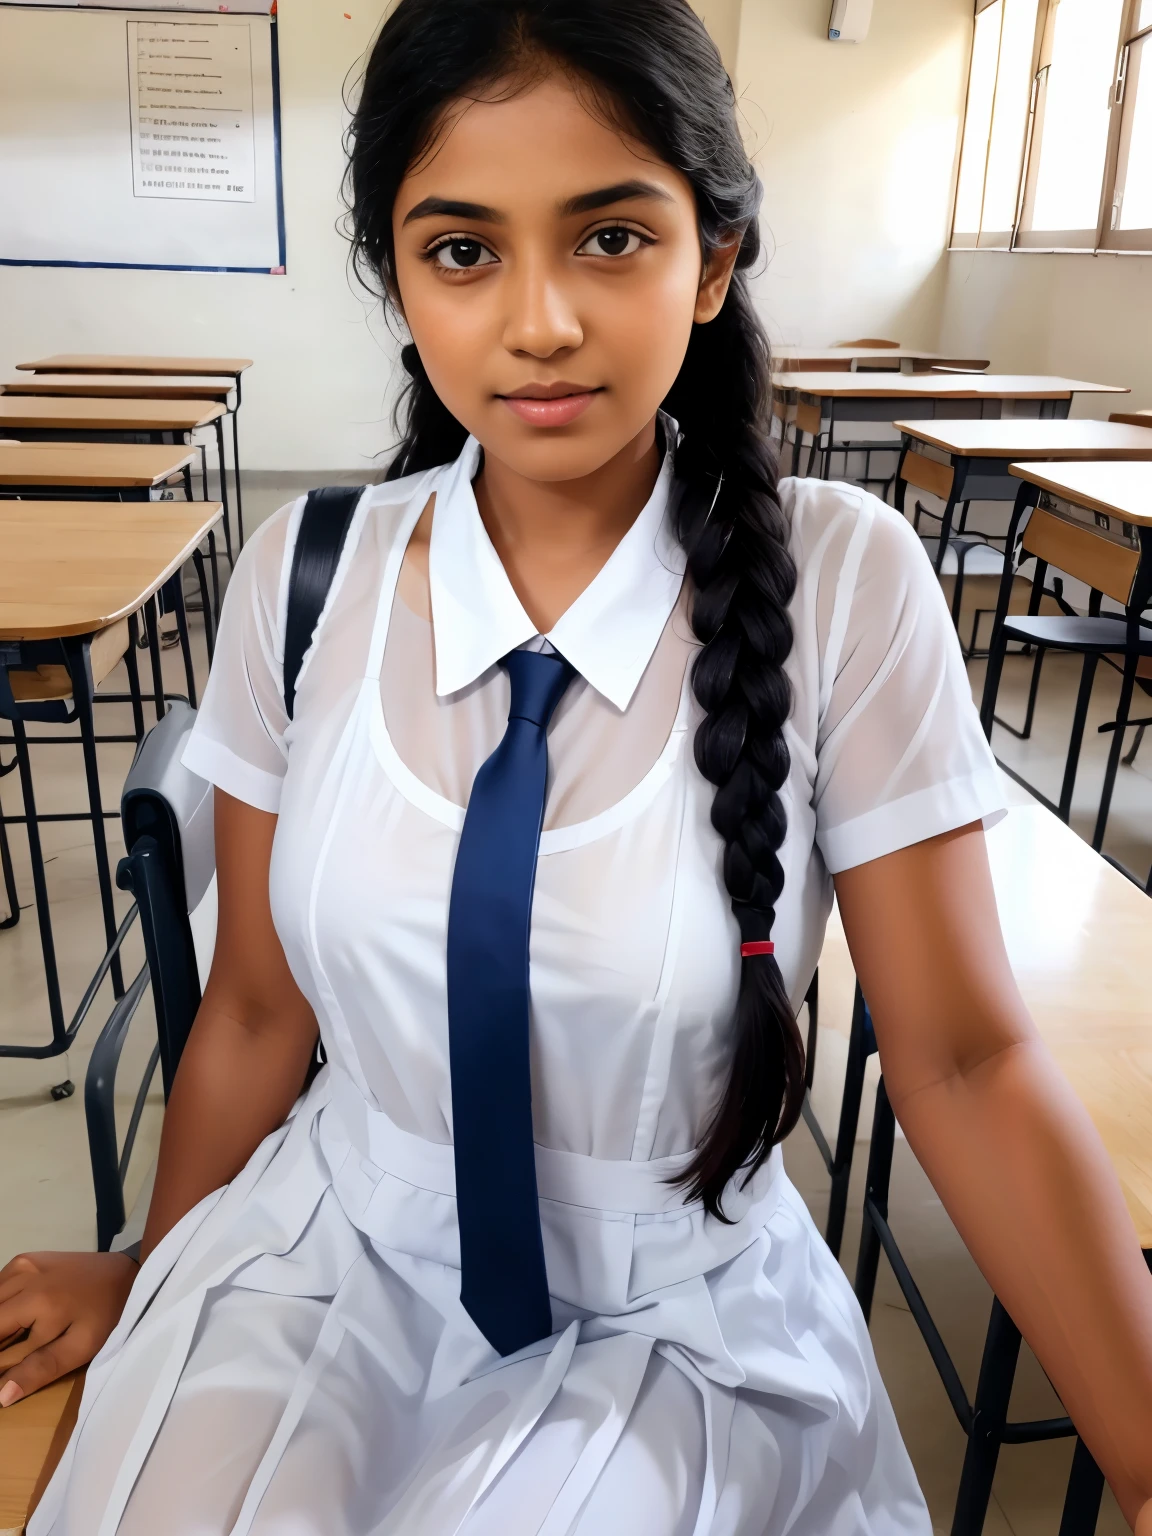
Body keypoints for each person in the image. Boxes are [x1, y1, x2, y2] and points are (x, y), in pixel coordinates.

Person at [5, 2, 1152, 1530]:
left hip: (673, 1312)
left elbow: (959, 1059)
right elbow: (262, 1009)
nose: (537, 320)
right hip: (321, 1253)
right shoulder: (309, 577)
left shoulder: (843, 582)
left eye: (610, 238)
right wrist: (154, 1268)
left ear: (716, 254)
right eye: (462, 251)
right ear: (400, 280)